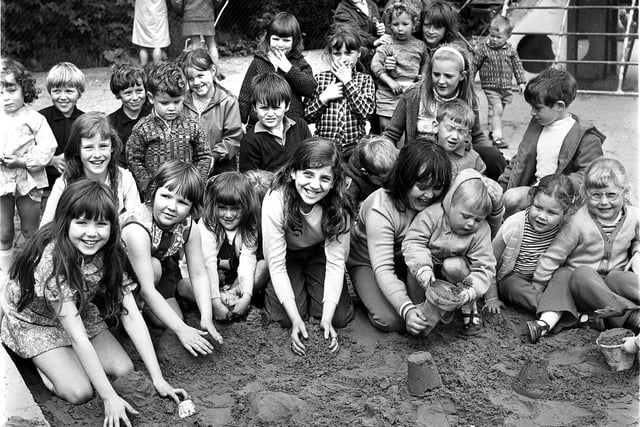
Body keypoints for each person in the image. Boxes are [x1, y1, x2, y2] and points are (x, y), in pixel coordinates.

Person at [1, 180, 186, 426]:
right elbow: (78, 337)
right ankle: (40, 361)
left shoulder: (112, 250)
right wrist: (109, 397)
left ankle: (63, 359)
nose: (91, 233)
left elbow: (130, 314)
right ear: (65, 222)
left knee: (123, 369)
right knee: (80, 391)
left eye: (101, 224)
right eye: (81, 223)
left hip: (79, 309)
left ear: (112, 226)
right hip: (36, 321)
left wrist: (158, 378)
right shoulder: (52, 260)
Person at [527, 158, 640, 343]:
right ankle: (631, 316)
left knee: (620, 277)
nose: (604, 202)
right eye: (596, 195)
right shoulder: (578, 222)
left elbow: (638, 239)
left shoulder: (634, 217)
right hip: (583, 287)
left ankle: (608, 316)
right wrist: (538, 286)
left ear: (624, 192)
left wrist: (637, 253)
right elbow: (554, 256)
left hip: (612, 285)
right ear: (586, 193)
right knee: (579, 274)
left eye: (611, 195)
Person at [262, 137, 354, 356]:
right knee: (284, 317)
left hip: (319, 253)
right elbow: (276, 264)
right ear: (293, 172)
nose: (314, 185)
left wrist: (327, 318)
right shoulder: (276, 200)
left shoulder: (340, 206)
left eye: (325, 178)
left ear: (334, 182)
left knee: (339, 318)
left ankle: (318, 303)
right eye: (308, 174)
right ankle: (275, 294)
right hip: (287, 255)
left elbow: (336, 263)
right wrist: (295, 320)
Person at [347, 143, 452, 333]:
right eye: (421, 187)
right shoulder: (381, 209)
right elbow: (383, 269)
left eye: (436, 187)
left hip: (407, 259)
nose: (429, 195)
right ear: (404, 178)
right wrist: (408, 309)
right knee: (393, 320)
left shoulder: (438, 197)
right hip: (368, 262)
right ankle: (368, 294)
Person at [121, 161, 223, 355]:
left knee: (170, 322)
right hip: (120, 279)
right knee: (177, 325)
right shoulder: (137, 228)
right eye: (166, 196)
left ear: (192, 207)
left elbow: (199, 273)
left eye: (182, 202)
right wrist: (182, 330)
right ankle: (129, 315)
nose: (171, 207)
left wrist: (206, 316)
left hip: (158, 272)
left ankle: (148, 313)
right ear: (153, 192)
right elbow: (148, 290)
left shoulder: (188, 226)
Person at [382, 44, 506, 180]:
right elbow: (391, 133)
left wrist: (490, 156)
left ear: (462, 76)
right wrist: (387, 156)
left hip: (456, 155)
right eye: (436, 74)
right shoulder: (414, 95)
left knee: (494, 157)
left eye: (448, 76)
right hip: (421, 158)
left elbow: (477, 135)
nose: (441, 81)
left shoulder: (468, 98)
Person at [402, 169, 498, 334]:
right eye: (466, 216)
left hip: (458, 276)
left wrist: (470, 292)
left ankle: (468, 306)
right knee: (414, 271)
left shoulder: (481, 230)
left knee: (453, 265)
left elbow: (484, 266)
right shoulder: (433, 215)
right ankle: (420, 309)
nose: (471, 224)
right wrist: (423, 268)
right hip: (428, 265)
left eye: (477, 219)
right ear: (450, 204)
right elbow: (414, 242)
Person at [499, 68, 605, 216]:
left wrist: (556, 184)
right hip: (534, 189)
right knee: (500, 198)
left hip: (562, 197)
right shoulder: (538, 125)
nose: (532, 113)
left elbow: (591, 174)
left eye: (538, 108)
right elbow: (520, 160)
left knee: (511, 199)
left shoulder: (585, 136)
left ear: (559, 106)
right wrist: (501, 185)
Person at [484, 174, 577, 315]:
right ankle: (555, 312)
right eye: (538, 207)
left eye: (551, 212)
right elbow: (489, 261)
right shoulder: (514, 225)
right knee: (512, 285)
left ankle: (557, 310)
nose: (542, 216)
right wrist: (491, 297)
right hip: (514, 278)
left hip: (546, 280)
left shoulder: (565, 229)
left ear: (565, 213)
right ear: (531, 199)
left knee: (565, 275)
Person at [181, 172, 267, 320]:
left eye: (235, 209)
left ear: (246, 207)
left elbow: (248, 260)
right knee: (183, 286)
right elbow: (208, 264)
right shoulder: (206, 226)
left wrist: (246, 294)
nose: (228, 215)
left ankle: (235, 301)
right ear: (214, 206)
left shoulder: (249, 226)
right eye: (222, 208)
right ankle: (217, 307)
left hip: (234, 283)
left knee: (263, 266)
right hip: (205, 283)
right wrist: (215, 300)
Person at [0, 59, 57, 272]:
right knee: (4, 232)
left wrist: (22, 161)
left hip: (28, 179)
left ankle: (36, 273)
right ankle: (4, 276)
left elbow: (48, 146)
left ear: (25, 89)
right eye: (0, 92)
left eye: (11, 90)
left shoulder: (35, 119)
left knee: (30, 230)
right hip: (1, 180)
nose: (5, 97)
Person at [40, 112, 141, 227]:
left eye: (103, 146)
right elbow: (45, 228)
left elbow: (135, 224)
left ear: (112, 147)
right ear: (77, 149)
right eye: (88, 147)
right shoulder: (64, 183)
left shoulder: (124, 179)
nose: (97, 155)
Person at [126, 61, 211, 193]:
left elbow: (204, 156)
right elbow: (133, 158)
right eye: (164, 103)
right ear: (151, 98)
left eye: (177, 102)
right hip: (155, 193)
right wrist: (147, 185)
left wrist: (196, 183)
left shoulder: (192, 125)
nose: (171, 108)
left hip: (186, 192)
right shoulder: (143, 128)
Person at [305, 24, 375, 159]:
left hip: (354, 147)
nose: (343, 59)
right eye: (337, 53)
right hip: (324, 146)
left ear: (359, 53)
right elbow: (308, 116)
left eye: (349, 53)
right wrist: (323, 98)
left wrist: (348, 82)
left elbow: (366, 112)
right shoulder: (320, 79)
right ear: (330, 55)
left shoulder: (365, 80)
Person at [238, 12, 317, 126]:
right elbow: (245, 95)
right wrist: (241, 121)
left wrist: (289, 69)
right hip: (259, 123)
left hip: (291, 123)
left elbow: (310, 88)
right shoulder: (259, 61)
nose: (280, 44)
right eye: (276, 39)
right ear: (268, 38)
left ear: (294, 40)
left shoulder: (298, 61)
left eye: (286, 40)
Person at [178, 48, 242, 174]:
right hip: (189, 168)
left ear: (212, 71)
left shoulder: (227, 102)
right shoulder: (182, 102)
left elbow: (233, 139)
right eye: (190, 79)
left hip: (221, 168)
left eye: (200, 75)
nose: (196, 82)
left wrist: (213, 156)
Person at [371, 1, 427, 130]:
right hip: (388, 95)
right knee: (386, 128)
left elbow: (425, 63)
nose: (400, 28)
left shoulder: (420, 45)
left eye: (405, 24)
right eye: (396, 24)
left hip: (410, 95)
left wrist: (423, 76)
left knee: (408, 129)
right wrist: (389, 81)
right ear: (390, 25)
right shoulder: (387, 44)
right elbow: (375, 65)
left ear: (414, 24)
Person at [472, 15, 526, 149]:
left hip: (505, 86)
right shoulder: (484, 49)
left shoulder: (511, 51)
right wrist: (469, 80)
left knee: (495, 110)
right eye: (492, 36)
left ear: (508, 36)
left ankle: (491, 130)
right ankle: (497, 137)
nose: (494, 39)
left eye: (498, 37)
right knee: (498, 110)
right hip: (490, 86)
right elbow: (474, 65)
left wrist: (521, 82)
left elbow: (517, 66)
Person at [239, 73, 312, 173]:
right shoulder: (250, 141)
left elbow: (311, 159)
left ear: (287, 106)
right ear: (255, 107)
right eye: (264, 108)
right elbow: (250, 181)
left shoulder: (300, 126)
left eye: (276, 108)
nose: (270, 114)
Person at [39, 62, 85, 192]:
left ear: (79, 93)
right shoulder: (40, 119)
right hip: (46, 185)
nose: (63, 97)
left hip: (78, 184)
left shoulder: (85, 120)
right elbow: (28, 151)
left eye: (69, 91)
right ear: (50, 92)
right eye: (57, 91)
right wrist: (51, 160)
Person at [107, 64, 151, 167]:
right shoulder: (110, 123)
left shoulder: (154, 118)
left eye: (139, 91)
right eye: (128, 93)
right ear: (118, 94)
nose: (135, 98)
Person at [435, 99, 485, 178]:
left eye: (462, 131)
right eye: (449, 128)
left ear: (468, 133)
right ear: (436, 126)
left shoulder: (474, 160)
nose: (455, 136)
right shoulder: (423, 154)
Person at [344, 134, 398, 207]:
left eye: (392, 176)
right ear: (365, 172)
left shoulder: (397, 159)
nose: (388, 183)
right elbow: (348, 210)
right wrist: (365, 206)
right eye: (382, 180)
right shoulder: (352, 181)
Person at [332, 0, 386, 71]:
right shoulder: (342, 11)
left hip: (375, 57)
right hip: (358, 61)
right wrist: (373, 41)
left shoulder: (372, 5)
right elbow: (352, 35)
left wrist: (380, 30)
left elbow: (378, 24)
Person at [181, 0, 222, 78]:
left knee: (195, 45)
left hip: (190, 13)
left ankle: (195, 72)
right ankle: (216, 72)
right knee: (211, 45)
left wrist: (182, 8)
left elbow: (176, 1)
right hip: (207, 12)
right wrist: (214, 5)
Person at [132, 0, 170, 66]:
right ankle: (157, 71)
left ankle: (143, 70)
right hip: (158, 11)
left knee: (143, 45)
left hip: (142, 11)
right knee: (158, 44)